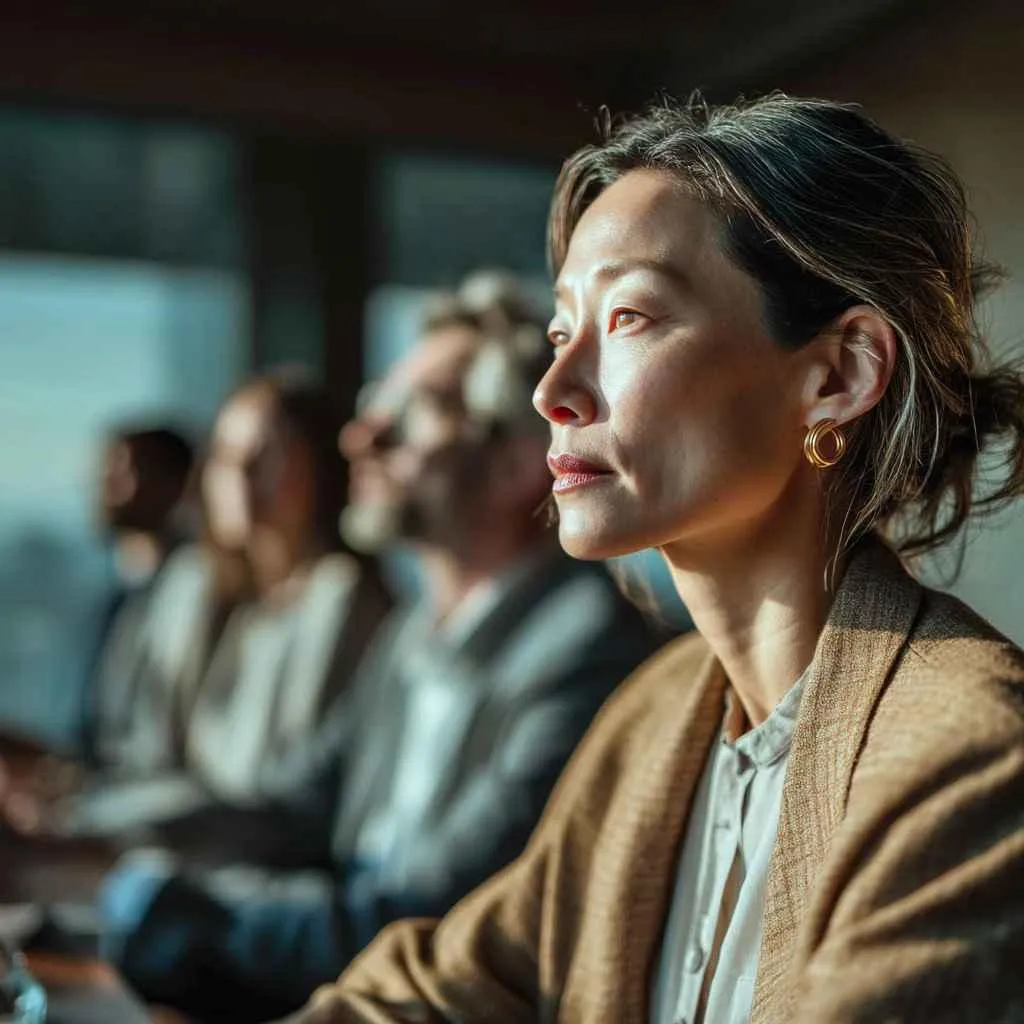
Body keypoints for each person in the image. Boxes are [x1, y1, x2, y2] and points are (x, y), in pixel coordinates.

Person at [282, 95, 1024, 1024]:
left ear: (837, 376)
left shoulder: (972, 753)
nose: (553, 391)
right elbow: (431, 989)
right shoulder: (654, 717)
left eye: (630, 317)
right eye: (561, 331)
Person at [99, 272, 667, 1021]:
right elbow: (288, 812)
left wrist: (147, 905)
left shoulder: (589, 658)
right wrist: (80, 852)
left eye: (416, 414)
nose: (360, 438)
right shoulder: (409, 634)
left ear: (515, 463)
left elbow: (425, 923)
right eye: (374, 409)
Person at [55, 370, 394, 840]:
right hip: (183, 838)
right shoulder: (205, 592)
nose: (241, 476)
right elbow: (151, 753)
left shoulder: (341, 599)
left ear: (319, 467)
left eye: (266, 456)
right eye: (227, 456)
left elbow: (288, 797)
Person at [0, 424, 196, 830]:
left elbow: (151, 748)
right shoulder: (115, 597)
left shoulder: (190, 598)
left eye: (125, 469)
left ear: (175, 485)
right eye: (103, 469)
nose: (103, 483)